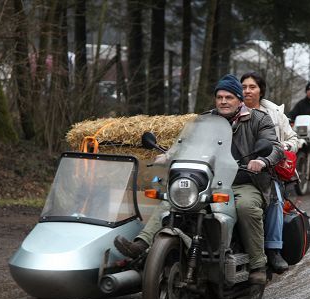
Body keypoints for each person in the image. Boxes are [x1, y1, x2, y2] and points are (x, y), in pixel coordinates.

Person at [114, 74, 283, 285]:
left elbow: (275, 147)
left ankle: (258, 265)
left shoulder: (259, 119)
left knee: (246, 207)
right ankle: (141, 244)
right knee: (172, 199)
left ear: (239, 100)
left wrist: (262, 160)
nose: (223, 101)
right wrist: (168, 155)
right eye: (219, 97)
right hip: (209, 182)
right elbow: (184, 144)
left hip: (244, 182)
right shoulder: (205, 120)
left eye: (229, 97)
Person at [241, 71, 303, 274]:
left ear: (261, 91)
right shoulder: (231, 110)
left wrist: (280, 149)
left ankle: (273, 249)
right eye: (244, 87)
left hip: (268, 169)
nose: (247, 91)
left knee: (274, 199)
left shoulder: (274, 114)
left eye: (252, 87)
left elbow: (294, 139)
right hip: (235, 169)